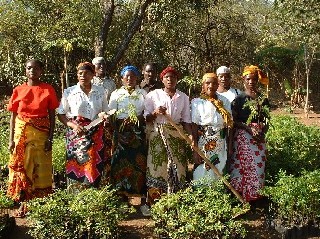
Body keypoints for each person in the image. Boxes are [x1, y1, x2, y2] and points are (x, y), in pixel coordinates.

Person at [7, 59, 59, 217]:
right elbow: (13, 116)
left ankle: (39, 205)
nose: (32, 71)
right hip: (21, 135)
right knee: (22, 167)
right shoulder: (18, 90)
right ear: (25, 70)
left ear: (41, 71)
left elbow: (52, 116)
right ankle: (23, 203)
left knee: (39, 168)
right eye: (29, 68)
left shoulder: (48, 89)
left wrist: (50, 138)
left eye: (36, 68)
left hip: (41, 136)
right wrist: (11, 140)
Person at [144, 66, 193, 210]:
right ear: (162, 80)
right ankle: (155, 203)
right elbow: (146, 118)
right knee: (157, 167)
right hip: (158, 133)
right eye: (167, 77)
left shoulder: (183, 97)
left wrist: (190, 136)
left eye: (173, 77)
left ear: (177, 80)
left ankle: (176, 202)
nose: (170, 79)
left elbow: (186, 120)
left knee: (178, 168)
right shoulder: (153, 95)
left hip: (176, 134)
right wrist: (155, 112)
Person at [57, 62, 109, 189]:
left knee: (93, 164)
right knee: (76, 165)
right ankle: (76, 199)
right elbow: (61, 114)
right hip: (76, 134)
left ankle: (92, 197)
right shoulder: (69, 92)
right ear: (77, 75)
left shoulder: (100, 91)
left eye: (87, 73)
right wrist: (74, 126)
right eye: (80, 73)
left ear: (93, 75)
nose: (83, 76)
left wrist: (104, 116)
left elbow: (105, 111)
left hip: (95, 134)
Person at [229, 65, 270, 202]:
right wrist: (248, 129)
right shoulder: (239, 99)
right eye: (248, 79)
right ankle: (240, 196)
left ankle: (254, 196)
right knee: (242, 166)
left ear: (257, 81)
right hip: (243, 137)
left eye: (253, 79)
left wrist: (262, 132)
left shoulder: (263, 99)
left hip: (258, 138)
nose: (251, 82)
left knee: (258, 165)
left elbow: (267, 119)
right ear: (243, 80)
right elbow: (234, 121)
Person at [108, 65, 147, 200]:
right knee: (119, 162)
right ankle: (121, 198)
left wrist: (136, 119)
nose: (129, 79)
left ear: (137, 78)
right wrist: (116, 132)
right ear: (122, 79)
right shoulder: (116, 94)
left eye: (132, 76)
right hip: (121, 132)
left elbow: (146, 113)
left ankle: (139, 197)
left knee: (139, 163)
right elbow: (111, 115)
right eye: (127, 76)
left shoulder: (142, 94)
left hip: (137, 132)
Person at [191, 73, 233, 182]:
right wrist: (195, 150)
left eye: (214, 83)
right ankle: (202, 195)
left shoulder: (224, 101)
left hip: (221, 143)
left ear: (218, 85)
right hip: (203, 144)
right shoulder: (197, 102)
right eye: (207, 83)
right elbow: (194, 127)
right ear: (203, 85)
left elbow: (229, 126)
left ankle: (217, 196)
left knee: (219, 169)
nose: (211, 86)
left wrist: (230, 146)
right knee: (202, 170)